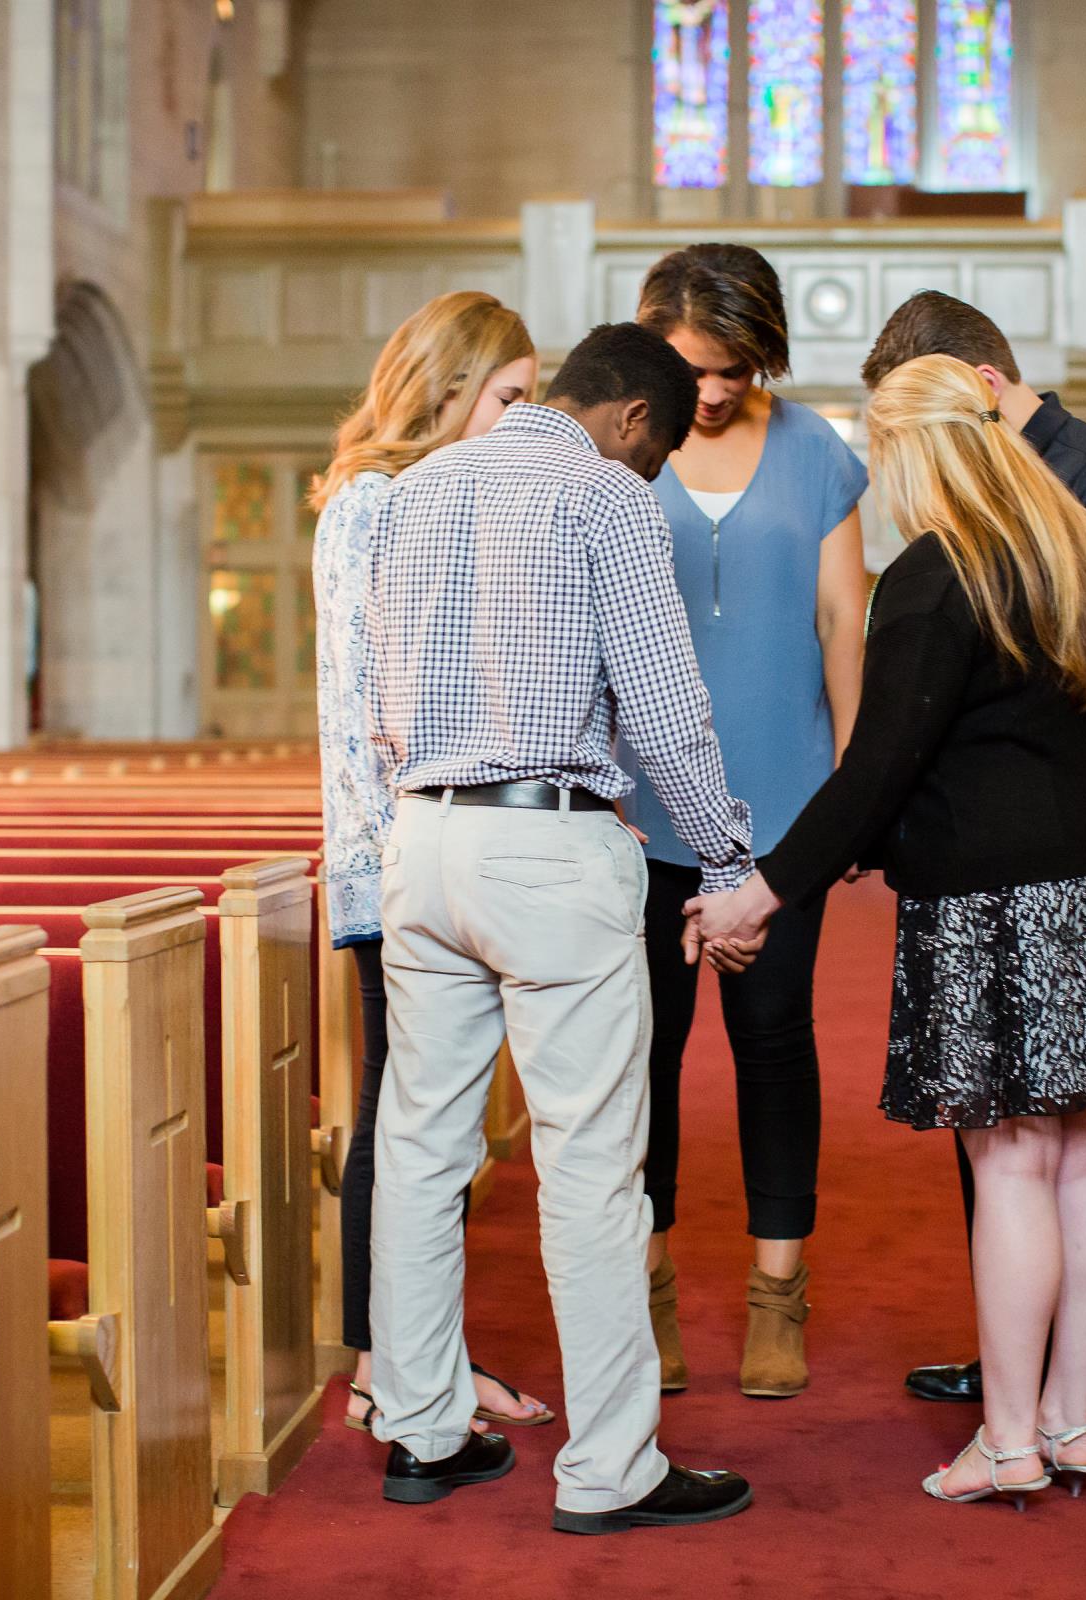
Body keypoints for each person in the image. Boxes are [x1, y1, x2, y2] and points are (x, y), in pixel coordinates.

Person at [683, 354, 1086, 1506]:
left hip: (1004, 897)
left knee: (1015, 1157)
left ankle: (1010, 1438)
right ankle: (1072, 1421)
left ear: (912, 452)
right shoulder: (1083, 548)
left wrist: (761, 890)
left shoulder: (934, 575)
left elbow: (877, 768)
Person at [362, 321, 758, 1534]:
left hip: (421, 839)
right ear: (634, 418)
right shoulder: (605, 499)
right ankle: (610, 1467)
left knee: (424, 1150)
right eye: (661, 447)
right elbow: (665, 708)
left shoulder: (414, 491)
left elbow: (379, 694)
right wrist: (729, 860)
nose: (655, 471)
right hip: (550, 841)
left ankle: (423, 1429)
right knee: (591, 1164)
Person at [858, 291, 1086, 1441]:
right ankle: (1057, 1393)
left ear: (978, 395)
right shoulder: (1031, 510)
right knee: (1065, 1149)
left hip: (1059, 850)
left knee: (1049, 1148)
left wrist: (1028, 789)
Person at [310, 289, 555, 1438]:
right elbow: (369, 703)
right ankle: (384, 1370)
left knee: (428, 1124)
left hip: (422, 846)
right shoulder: (375, 501)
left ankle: (424, 1360)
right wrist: (413, 843)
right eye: (508, 395)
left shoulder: (429, 495)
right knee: (405, 1121)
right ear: (452, 386)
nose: (520, 418)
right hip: (392, 852)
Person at [628, 243, 871, 1399]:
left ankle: (780, 1293)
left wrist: (853, 785)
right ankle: (651, 1288)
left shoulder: (818, 450)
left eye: (730, 368)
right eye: (690, 369)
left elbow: (840, 618)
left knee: (775, 1047)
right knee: (648, 1059)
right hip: (639, 815)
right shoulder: (619, 447)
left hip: (782, 810)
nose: (710, 392)